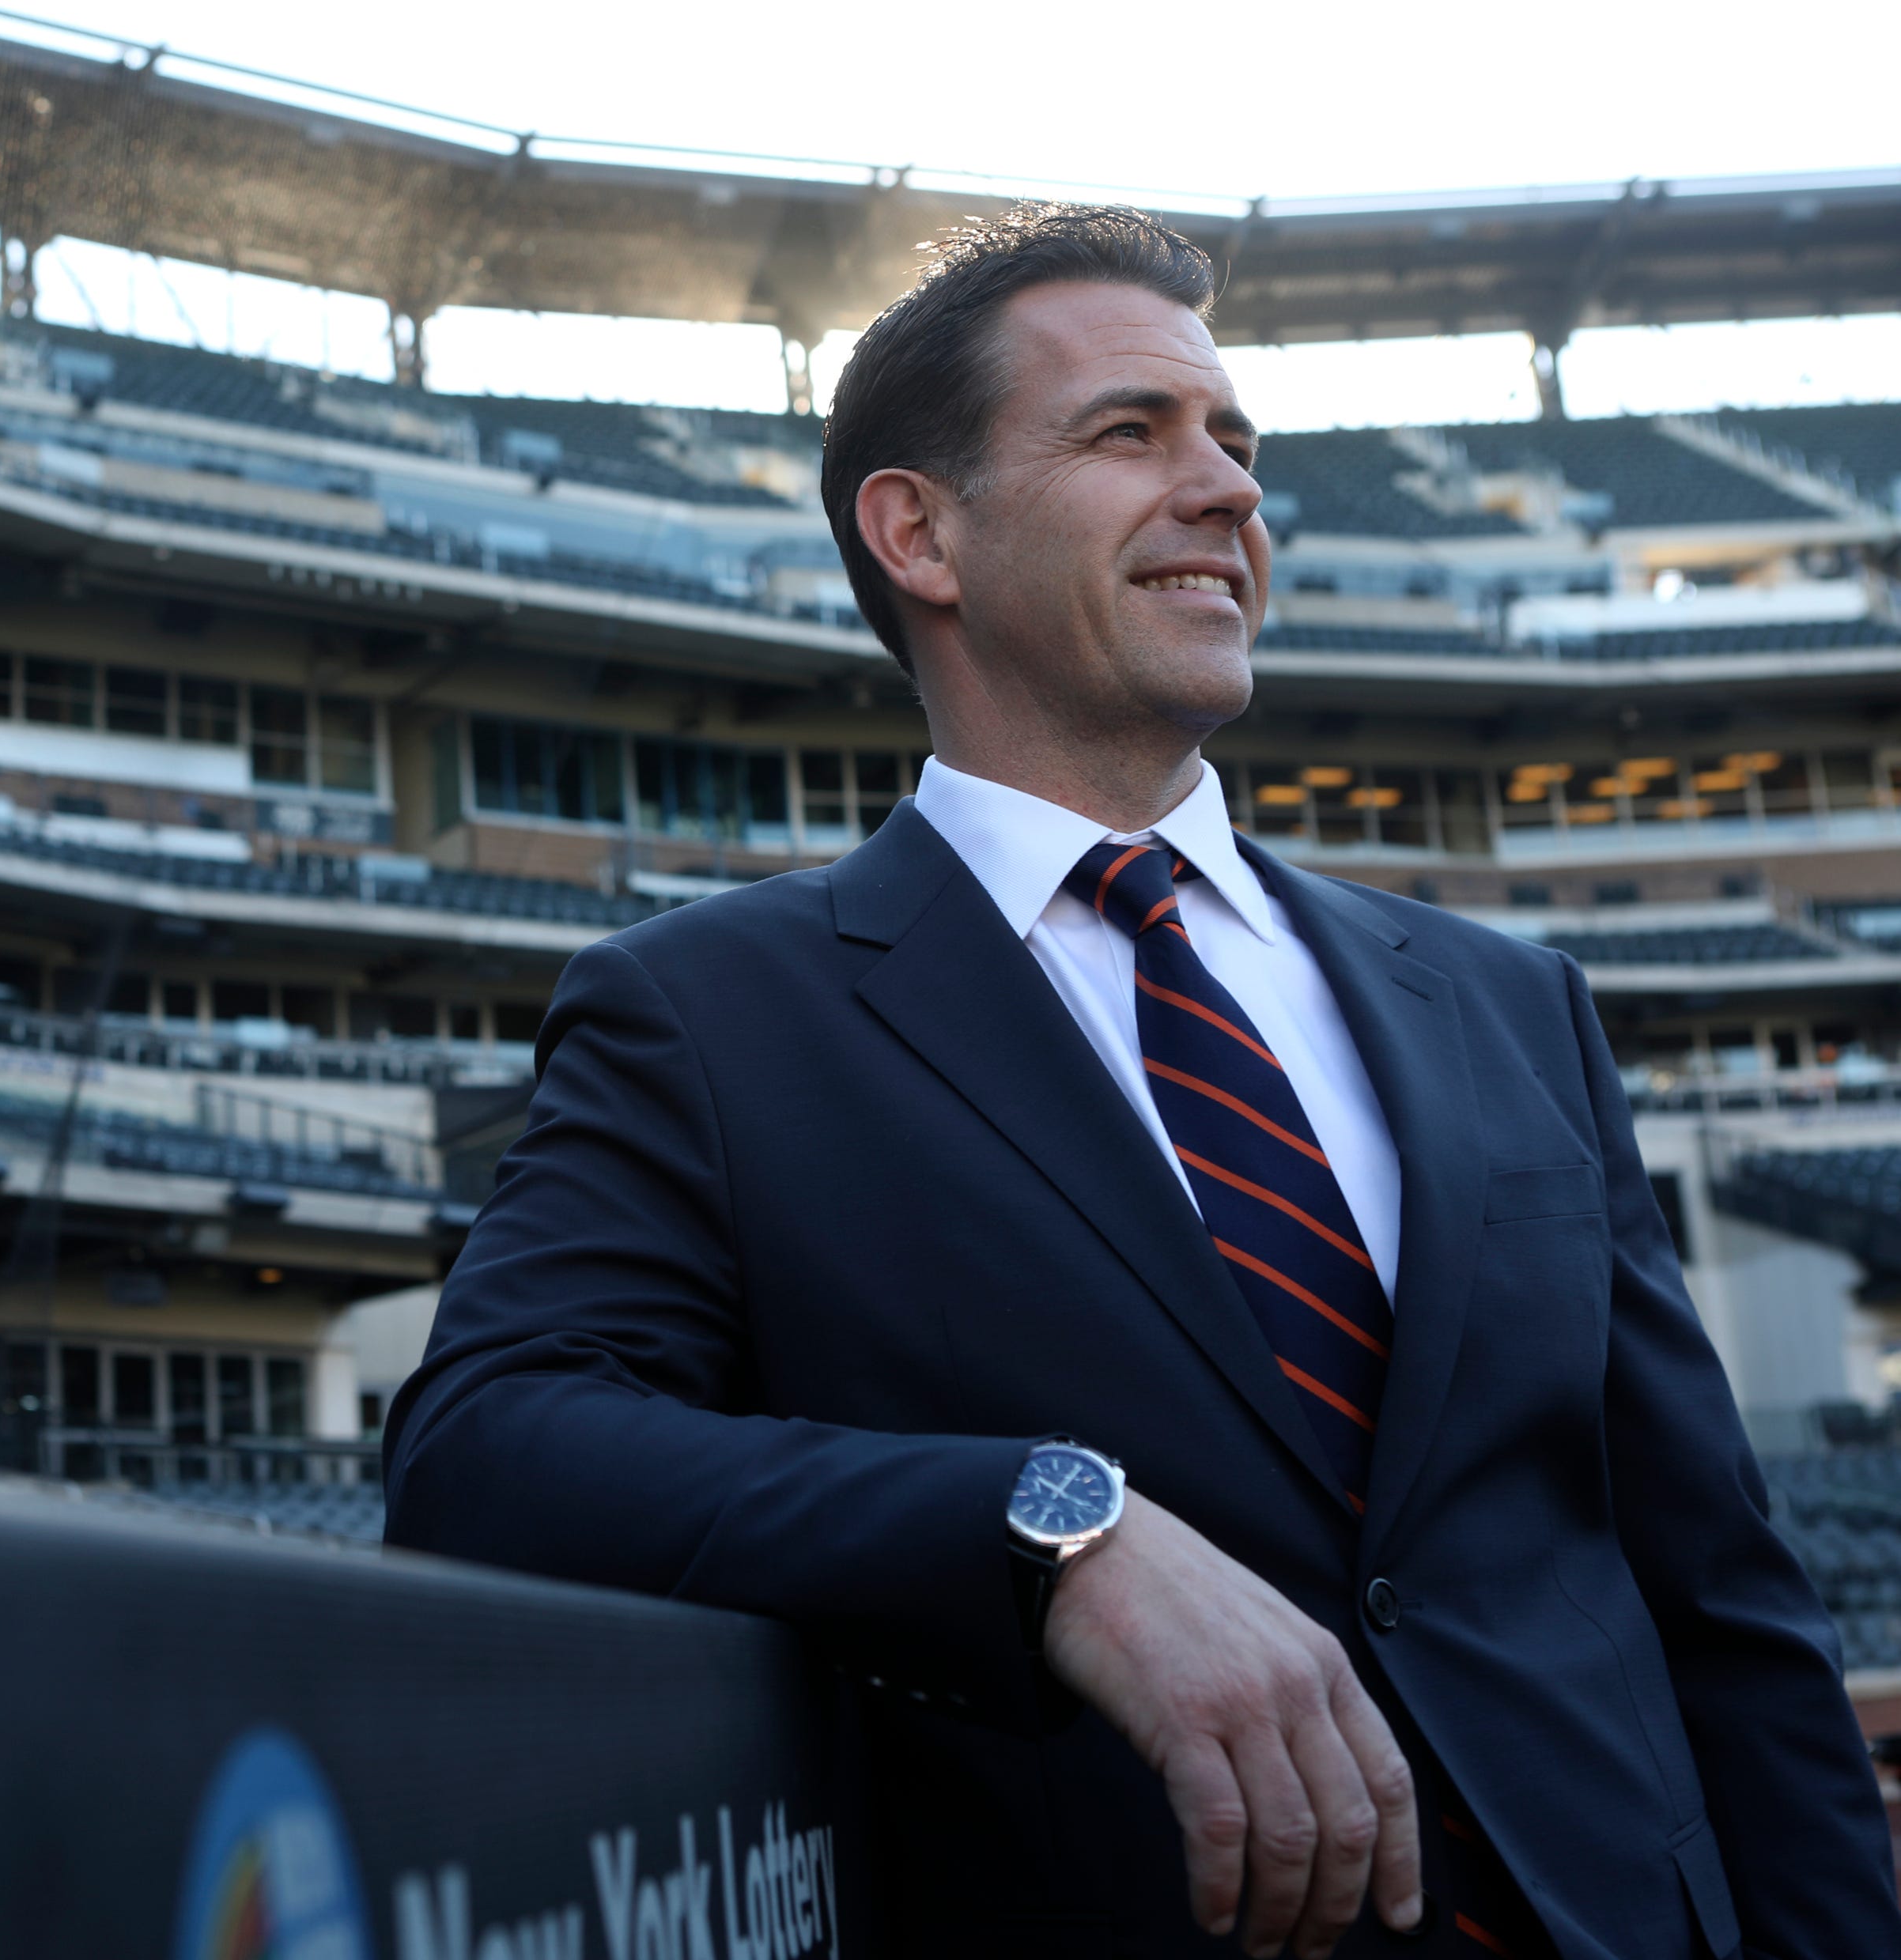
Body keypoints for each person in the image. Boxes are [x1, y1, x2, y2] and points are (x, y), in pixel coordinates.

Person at [383, 205, 1900, 1958]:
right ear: (919, 532)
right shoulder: (708, 1014)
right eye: (1134, 432)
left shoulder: (1509, 1003)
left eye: (1238, 446)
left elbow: (1718, 1596)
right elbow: (490, 1448)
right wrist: (1054, 1538)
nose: (1232, 491)